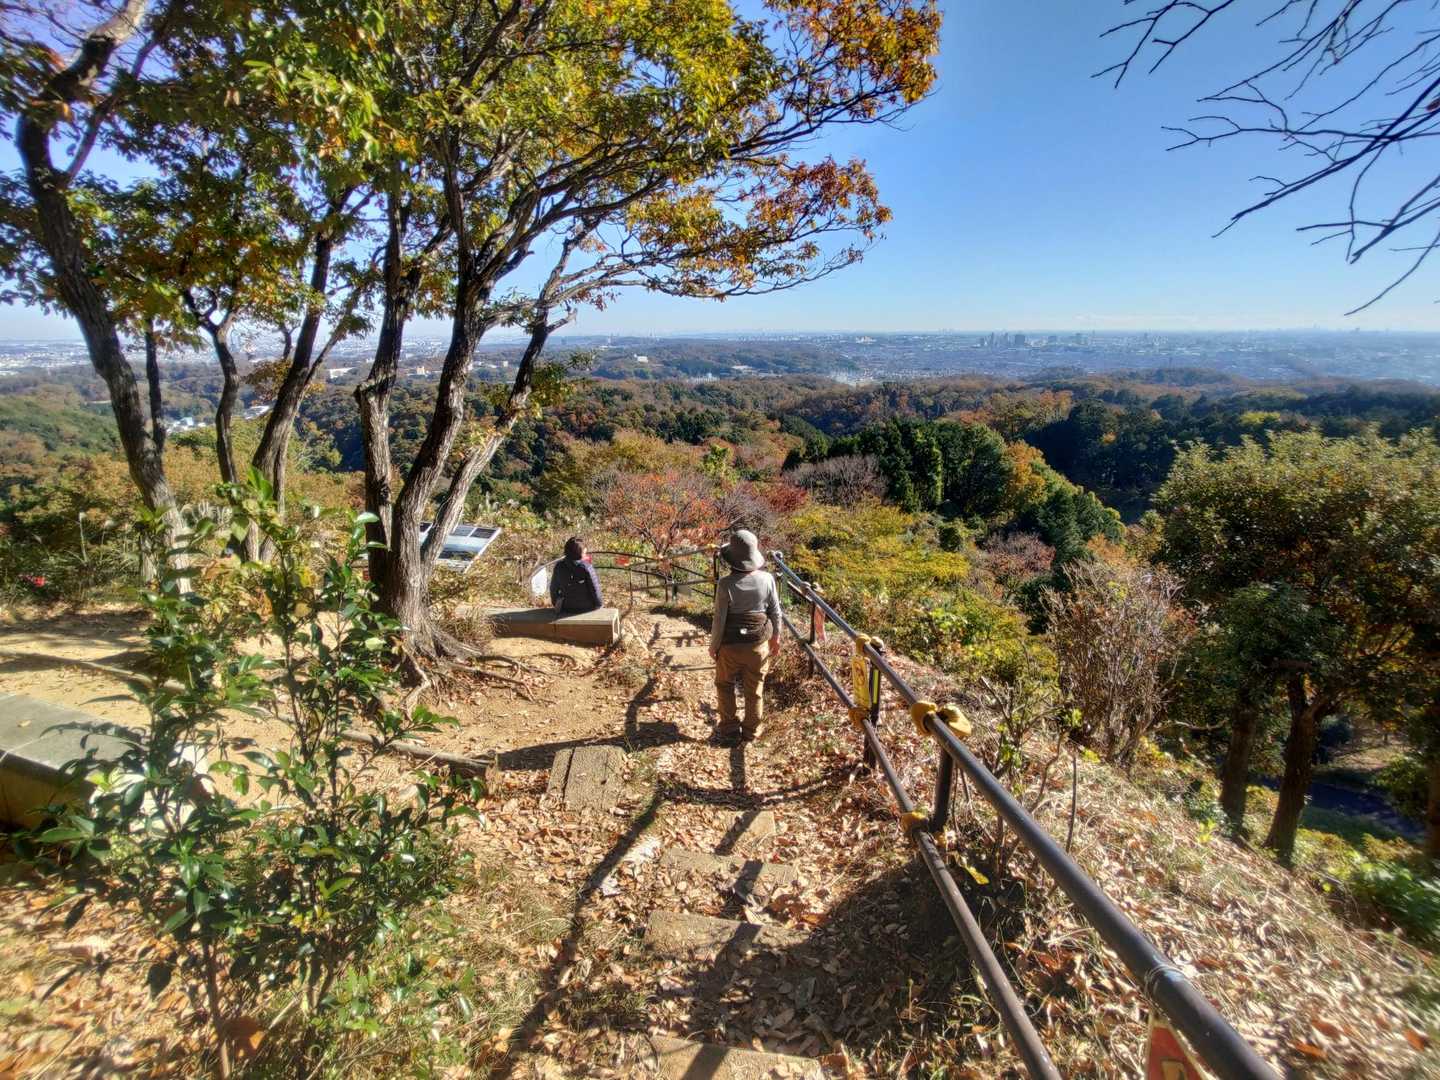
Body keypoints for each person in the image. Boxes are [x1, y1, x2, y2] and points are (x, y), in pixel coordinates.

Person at [709, 529, 782, 743]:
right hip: (758, 644)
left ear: (732, 558)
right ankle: (751, 731)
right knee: (755, 689)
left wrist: (714, 645)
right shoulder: (767, 579)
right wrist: (776, 638)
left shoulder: (725, 584)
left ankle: (730, 729)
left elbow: (719, 619)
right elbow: (775, 612)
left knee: (725, 685)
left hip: (730, 646)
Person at [549, 536, 603, 614]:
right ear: (580, 552)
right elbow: (595, 590)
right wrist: (599, 605)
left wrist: (556, 604)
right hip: (587, 607)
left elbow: (553, 588)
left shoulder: (559, 566)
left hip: (566, 607)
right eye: (584, 551)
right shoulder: (586, 567)